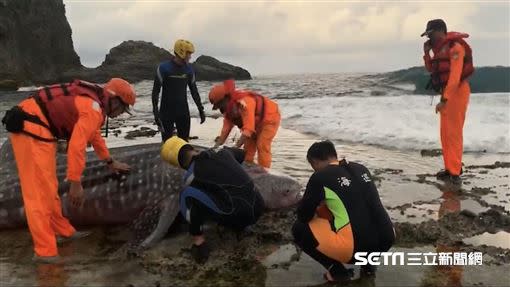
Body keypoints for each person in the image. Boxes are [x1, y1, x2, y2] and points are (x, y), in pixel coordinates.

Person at [3, 78, 135, 263]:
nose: (121, 114)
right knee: (37, 195)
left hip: (41, 129)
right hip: (30, 128)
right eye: (123, 109)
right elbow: (76, 146)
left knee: (49, 187)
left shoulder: (95, 106)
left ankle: (62, 231)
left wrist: (110, 161)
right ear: (114, 100)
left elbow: (94, 136)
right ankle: (45, 252)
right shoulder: (93, 108)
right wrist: (75, 182)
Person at [292, 140, 395, 283]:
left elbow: (304, 215)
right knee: (356, 213)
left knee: (299, 228)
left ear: (314, 162)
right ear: (333, 155)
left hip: (355, 250)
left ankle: (337, 271)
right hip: (386, 240)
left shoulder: (320, 177)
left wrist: (319, 209)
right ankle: (369, 266)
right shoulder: (361, 168)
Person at [161, 136, 265, 264]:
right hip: (259, 205)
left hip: (239, 213)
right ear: (191, 147)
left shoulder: (191, 177)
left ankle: (199, 243)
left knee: (187, 195)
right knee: (229, 193)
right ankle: (242, 226)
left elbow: (195, 207)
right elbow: (242, 154)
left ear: (178, 164)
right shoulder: (222, 151)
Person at [422, 19, 474, 184]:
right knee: (445, 134)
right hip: (447, 93)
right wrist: (427, 53)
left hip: (457, 92)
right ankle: (450, 168)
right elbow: (432, 69)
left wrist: (445, 99)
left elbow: (455, 76)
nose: (430, 38)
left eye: (431, 34)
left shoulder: (455, 47)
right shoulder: (439, 50)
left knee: (453, 134)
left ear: (440, 31)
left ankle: (455, 172)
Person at [209, 79, 280, 168]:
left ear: (226, 98)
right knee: (247, 150)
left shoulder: (245, 102)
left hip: (269, 118)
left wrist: (235, 148)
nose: (220, 108)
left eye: (219, 104)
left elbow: (248, 130)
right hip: (253, 124)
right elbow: (225, 131)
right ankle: (247, 170)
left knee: (262, 145)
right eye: (217, 106)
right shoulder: (228, 111)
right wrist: (214, 148)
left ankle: (264, 172)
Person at [152, 39, 206, 142]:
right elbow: (155, 92)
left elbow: (194, 91)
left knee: (184, 143)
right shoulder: (164, 68)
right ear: (181, 52)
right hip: (166, 113)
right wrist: (155, 112)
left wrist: (201, 110)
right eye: (188, 53)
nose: (190, 56)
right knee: (167, 143)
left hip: (183, 112)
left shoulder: (189, 69)